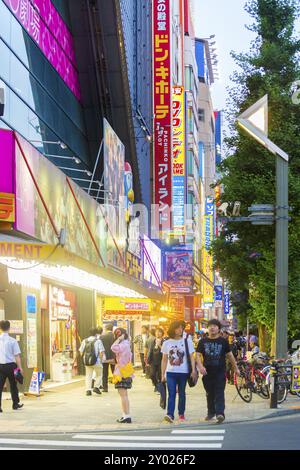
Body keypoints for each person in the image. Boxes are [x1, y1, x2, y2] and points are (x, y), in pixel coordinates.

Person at [196, 319, 240, 424]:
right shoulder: (203, 341)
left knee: (219, 392)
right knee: (209, 393)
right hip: (207, 372)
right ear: (208, 328)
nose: (212, 328)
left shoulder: (223, 341)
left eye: (214, 326)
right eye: (210, 326)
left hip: (220, 372)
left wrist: (236, 368)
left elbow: (230, 355)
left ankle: (220, 413)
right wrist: (200, 366)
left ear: (218, 329)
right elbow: (197, 355)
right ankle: (211, 412)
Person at [161, 321, 197, 424]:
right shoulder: (167, 343)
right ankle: (170, 414)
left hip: (183, 372)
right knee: (171, 393)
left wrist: (193, 370)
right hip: (170, 372)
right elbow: (164, 359)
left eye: (182, 328)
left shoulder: (187, 341)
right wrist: (162, 374)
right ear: (173, 329)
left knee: (182, 393)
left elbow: (191, 356)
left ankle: (181, 413)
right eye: (178, 328)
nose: (180, 330)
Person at [111, 328, 134, 424]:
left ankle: (126, 416)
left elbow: (113, 347)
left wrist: (118, 339)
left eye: (118, 334)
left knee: (123, 395)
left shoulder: (123, 345)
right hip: (126, 372)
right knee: (124, 395)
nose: (117, 336)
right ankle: (126, 415)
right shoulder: (127, 344)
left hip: (121, 373)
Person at [0, 320, 24, 412]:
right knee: (13, 385)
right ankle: (15, 404)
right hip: (11, 366)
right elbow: (17, 356)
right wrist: (20, 368)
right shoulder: (13, 341)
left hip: (0, 367)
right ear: (9, 328)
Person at [79, 328, 105, 396]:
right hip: (97, 361)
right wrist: (100, 360)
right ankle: (96, 387)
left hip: (87, 361)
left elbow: (81, 352)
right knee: (99, 374)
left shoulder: (84, 341)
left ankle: (88, 390)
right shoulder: (98, 341)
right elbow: (101, 352)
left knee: (88, 375)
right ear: (96, 333)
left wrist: (86, 358)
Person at [100, 323, 116, 393]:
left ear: (106, 328)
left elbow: (100, 347)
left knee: (105, 372)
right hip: (114, 356)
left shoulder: (102, 337)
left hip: (105, 356)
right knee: (115, 371)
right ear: (112, 329)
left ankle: (105, 387)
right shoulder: (115, 336)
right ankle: (118, 384)